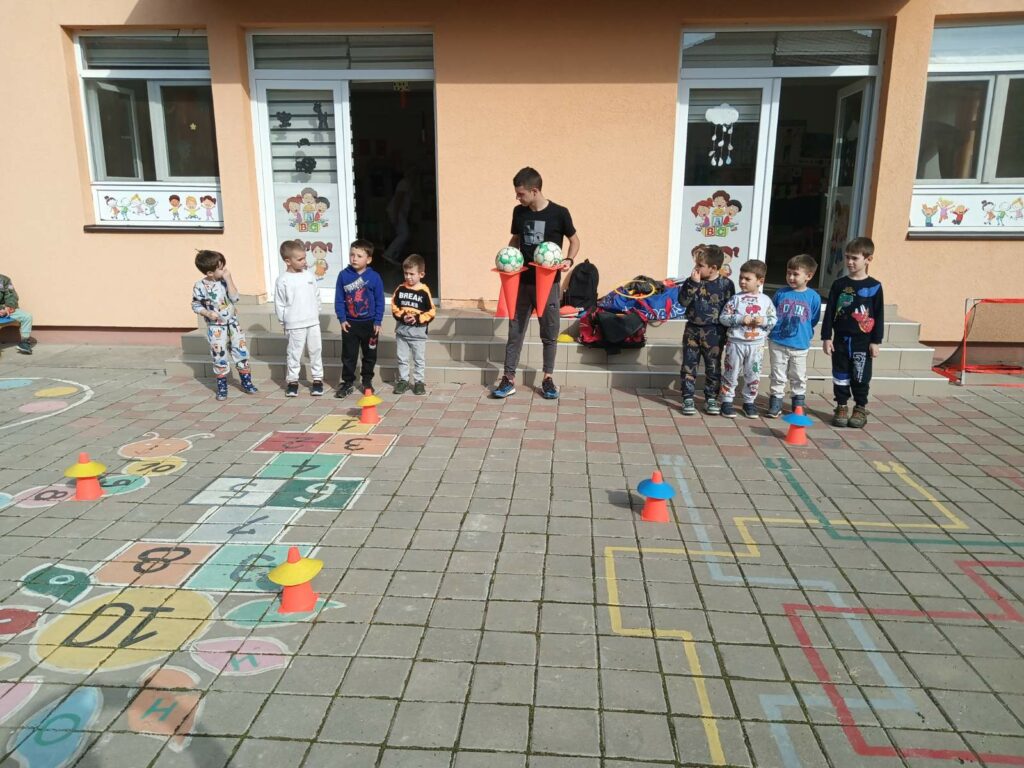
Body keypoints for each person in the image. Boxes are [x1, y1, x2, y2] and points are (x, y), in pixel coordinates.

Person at [492, 167, 580, 400]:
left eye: (521, 193)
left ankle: (548, 379)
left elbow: (574, 240)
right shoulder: (519, 212)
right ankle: (508, 379)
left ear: (534, 190)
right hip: (521, 283)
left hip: (548, 285)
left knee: (549, 332)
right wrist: (508, 257)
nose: (517, 198)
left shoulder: (559, 213)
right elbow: (515, 239)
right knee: (515, 331)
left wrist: (569, 260)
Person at [822, 236, 884, 429]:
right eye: (847, 257)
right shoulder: (839, 284)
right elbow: (830, 311)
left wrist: (876, 341)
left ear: (868, 259)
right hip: (841, 340)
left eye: (854, 258)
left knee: (860, 376)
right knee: (840, 374)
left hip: (862, 342)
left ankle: (860, 407)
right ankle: (841, 406)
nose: (849, 261)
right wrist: (826, 337)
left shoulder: (874, 286)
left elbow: (879, 315)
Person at [190, 250, 258, 401]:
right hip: (216, 328)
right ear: (209, 273)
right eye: (221, 269)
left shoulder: (224, 281)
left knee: (241, 351)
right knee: (219, 356)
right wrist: (207, 313)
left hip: (233, 325)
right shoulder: (200, 286)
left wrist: (229, 279)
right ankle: (222, 387)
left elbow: (235, 298)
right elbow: (195, 305)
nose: (224, 270)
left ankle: (246, 382)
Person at [679, 244, 735, 415]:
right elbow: (683, 301)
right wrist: (692, 284)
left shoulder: (726, 284)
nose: (696, 268)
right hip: (692, 330)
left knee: (713, 366)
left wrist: (728, 332)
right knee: (689, 364)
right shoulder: (691, 281)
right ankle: (688, 397)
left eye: (700, 265)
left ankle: (711, 398)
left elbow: (730, 308)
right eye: (696, 264)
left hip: (715, 332)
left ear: (713, 268)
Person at [718, 260, 777, 418]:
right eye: (741, 278)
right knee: (731, 372)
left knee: (753, 374)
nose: (742, 281)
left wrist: (763, 320)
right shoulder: (735, 299)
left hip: (756, 346)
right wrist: (739, 319)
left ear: (760, 281)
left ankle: (749, 402)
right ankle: (727, 401)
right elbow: (723, 318)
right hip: (735, 343)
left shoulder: (766, 301)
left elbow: (773, 320)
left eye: (747, 279)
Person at [766, 254, 822, 418]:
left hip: (799, 344)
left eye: (795, 274)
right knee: (777, 374)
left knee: (798, 375)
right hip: (778, 342)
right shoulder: (781, 293)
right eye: (788, 273)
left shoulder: (813, 297)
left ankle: (798, 404)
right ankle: (776, 401)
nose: (791, 277)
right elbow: (772, 313)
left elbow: (813, 319)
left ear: (808, 276)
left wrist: (804, 333)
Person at [334, 238, 384, 398]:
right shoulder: (343, 275)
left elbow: (380, 300)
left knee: (369, 355)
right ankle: (347, 382)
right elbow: (339, 299)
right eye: (352, 254)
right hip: (350, 324)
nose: (354, 258)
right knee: (349, 355)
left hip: (370, 324)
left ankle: (367, 381)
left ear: (368, 259)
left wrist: (378, 320)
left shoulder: (374, 277)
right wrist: (342, 319)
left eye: (359, 256)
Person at [275, 239, 324, 397]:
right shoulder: (283, 280)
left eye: (304, 258)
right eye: (300, 259)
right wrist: (283, 321)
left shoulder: (309, 276)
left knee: (316, 350)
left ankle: (317, 379)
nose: (304, 262)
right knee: (294, 353)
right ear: (288, 261)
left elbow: (316, 295)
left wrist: (316, 312)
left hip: (312, 321)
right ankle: (292, 381)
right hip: (294, 323)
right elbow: (280, 303)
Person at [391, 253, 436, 395]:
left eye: (412, 274)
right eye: (406, 273)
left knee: (418, 360)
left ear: (421, 274)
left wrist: (417, 318)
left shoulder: (424, 291)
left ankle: (419, 382)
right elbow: (394, 306)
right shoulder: (400, 289)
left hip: (418, 334)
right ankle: (403, 380)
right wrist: (402, 316)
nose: (408, 277)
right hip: (402, 333)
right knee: (402, 358)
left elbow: (431, 312)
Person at [383, 166, 414, 265]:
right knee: (404, 234)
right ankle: (389, 254)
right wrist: (395, 215)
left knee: (402, 234)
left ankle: (394, 256)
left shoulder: (408, 184)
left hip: (401, 212)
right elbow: (398, 199)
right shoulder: (404, 183)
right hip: (397, 211)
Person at [0, 274, 34, 355]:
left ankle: (24, 342)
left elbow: (11, 296)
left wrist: (8, 307)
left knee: (27, 316)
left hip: (4, 309)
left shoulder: (4, 279)